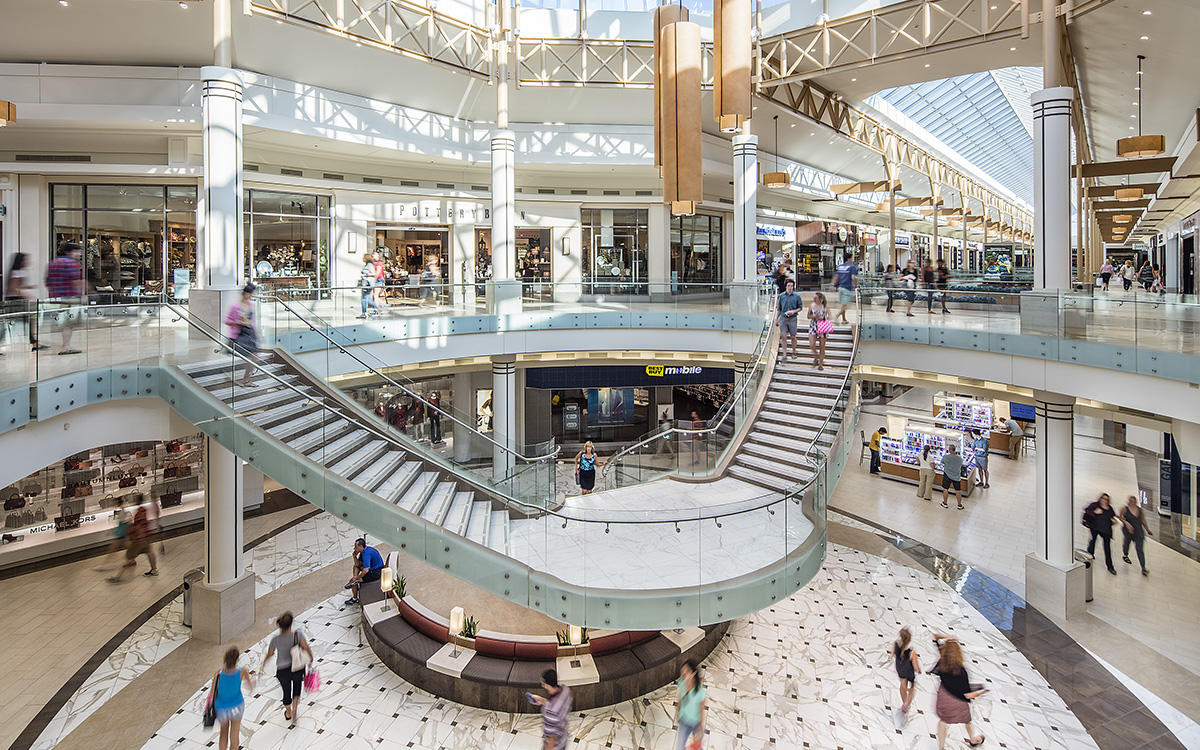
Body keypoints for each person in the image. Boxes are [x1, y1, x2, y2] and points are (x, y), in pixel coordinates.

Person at [931, 636, 986, 749]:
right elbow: (967, 694)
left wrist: (946, 638)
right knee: (967, 721)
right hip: (958, 702)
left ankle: (941, 747)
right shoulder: (962, 672)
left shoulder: (942, 662)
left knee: (943, 722)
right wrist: (980, 691)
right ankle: (972, 740)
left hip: (943, 698)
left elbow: (935, 637)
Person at [264, 611, 314, 724]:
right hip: (297, 666)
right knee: (297, 687)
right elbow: (306, 647)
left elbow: (270, 654)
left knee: (286, 691)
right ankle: (295, 708)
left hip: (282, 669)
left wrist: (263, 664)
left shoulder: (275, 639)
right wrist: (310, 658)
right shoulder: (298, 635)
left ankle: (288, 712)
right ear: (291, 624)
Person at [210, 646, 255, 750]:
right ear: (237, 659)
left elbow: (212, 693)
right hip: (237, 706)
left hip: (221, 708)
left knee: (223, 733)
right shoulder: (242, 671)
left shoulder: (218, 674)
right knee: (234, 733)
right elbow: (250, 686)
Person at [45, 241, 84, 355]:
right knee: (69, 324)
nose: (79, 254)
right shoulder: (71, 263)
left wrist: (53, 295)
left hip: (57, 297)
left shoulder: (53, 263)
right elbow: (75, 281)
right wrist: (81, 294)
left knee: (64, 323)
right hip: (70, 297)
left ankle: (65, 346)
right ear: (69, 252)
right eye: (76, 251)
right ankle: (65, 347)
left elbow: (47, 282)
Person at [107, 505, 158, 582]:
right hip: (144, 538)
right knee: (149, 552)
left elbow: (138, 526)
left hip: (139, 540)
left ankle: (117, 577)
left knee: (129, 557)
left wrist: (135, 534)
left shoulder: (139, 511)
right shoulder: (143, 509)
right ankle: (154, 570)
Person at [6, 252, 44, 350]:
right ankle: (33, 342)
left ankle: (33, 341)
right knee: (30, 319)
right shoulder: (17, 272)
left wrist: (28, 287)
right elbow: (14, 289)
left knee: (29, 320)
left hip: (15, 299)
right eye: (25, 260)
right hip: (16, 300)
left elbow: (16, 286)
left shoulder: (17, 272)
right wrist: (27, 297)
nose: (28, 262)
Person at [224, 284, 259, 386]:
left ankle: (246, 379)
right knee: (250, 356)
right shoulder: (235, 306)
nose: (252, 296)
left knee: (254, 356)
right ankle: (245, 379)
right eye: (250, 294)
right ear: (245, 294)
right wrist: (239, 322)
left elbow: (251, 320)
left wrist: (255, 330)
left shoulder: (250, 305)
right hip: (240, 334)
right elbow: (227, 320)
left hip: (250, 333)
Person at [529, 668, 572, 750]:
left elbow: (551, 739)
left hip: (556, 746)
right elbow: (557, 706)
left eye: (543, 683)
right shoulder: (565, 690)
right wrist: (542, 700)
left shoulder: (550, 712)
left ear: (547, 685)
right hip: (563, 738)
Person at [674, 659, 707, 750]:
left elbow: (701, 710)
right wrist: (678, 712)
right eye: (683, 673)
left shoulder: (699, 692)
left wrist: (699, 729)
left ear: (693, 674)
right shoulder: (681, 683)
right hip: (684, 720)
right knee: (680, 747)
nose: (684, 675)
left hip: (696, 723)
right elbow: (680, 699)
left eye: (687, 672)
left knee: (698, 747)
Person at [1083, 493, 1118, 575]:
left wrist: (1114, 521)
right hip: (1095, 528)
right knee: (1093, 541)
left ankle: (1110, 566)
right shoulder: (1095, 505)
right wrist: (1095, 512)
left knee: (1107, 548)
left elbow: (1112, 518)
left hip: (1106, 531)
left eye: (1106, 499)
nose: (1104, 501)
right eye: (1103, 499)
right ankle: (1089, 556)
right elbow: (1087, 511)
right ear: (1100, 499)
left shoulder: (1110, 509)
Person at [344, 537, 384, 605]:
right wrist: (354, 556)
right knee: (355, 567)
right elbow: (357, 564)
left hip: (375, 573)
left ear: (361, 546)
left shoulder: (366, 554)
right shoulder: (364, 551)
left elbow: (366, 570)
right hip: (372, 569)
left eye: (355, 547)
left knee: (354, 581)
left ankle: (354, 598)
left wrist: (357, 578)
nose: (354, 548)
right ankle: (354, 578)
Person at [892, 627, 920, 724]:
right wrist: (919, 670)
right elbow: (916, 667)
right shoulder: (911, 652)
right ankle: (908, 703)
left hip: (900, 668)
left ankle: (904, 702)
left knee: (902, 685)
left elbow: (892, 653)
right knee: (912, 687)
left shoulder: (895, 644)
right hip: (909, 671)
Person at [1121, 495, 1152, 576]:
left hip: (1138, 532)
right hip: (1128, 531)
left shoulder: (1140, 511)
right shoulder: (1125, 509)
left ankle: (1143, 568)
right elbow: (1120, 517)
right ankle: (1125, 554)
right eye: (1130, 501)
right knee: (1126, 543)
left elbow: (1143, 521)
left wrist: (1147, 529)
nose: (1132, 503)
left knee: (1139, 549)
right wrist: (1127, 523)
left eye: (1133, 502)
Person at [776, 279, 803, 361]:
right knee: (783, 336)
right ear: (786, 286)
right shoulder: (781, 296)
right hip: (783, 318)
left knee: (793, 336)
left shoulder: (797, 296)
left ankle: (794, 351)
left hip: (793, 318)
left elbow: (800, 308)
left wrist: (793, 311)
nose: (790, 287)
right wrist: (776, 319)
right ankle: (784, 354)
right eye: (789, 286)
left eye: (791, 286)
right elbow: (779, 309)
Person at [832, 252, 857, 324]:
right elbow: (853, 277)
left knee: (843, 304)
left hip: (840, 287)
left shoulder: (840, 267)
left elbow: (836, 276)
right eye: (852, 258)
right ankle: (836, 316)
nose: (852, 259)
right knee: (845, 305)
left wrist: (833, 285)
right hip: (847, 287)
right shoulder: (852, 267)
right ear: (849, 258)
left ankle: (844, 319)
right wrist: (856, 285)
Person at [807, 291, 829, 370]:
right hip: (813, 326)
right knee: (812, 345)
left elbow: (828, 316)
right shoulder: (811, 305)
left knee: (822, 346)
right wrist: (814, 316)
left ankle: (820, 364)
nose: (814, 299)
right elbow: (808, 316)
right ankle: (816, 356)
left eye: (815, 298)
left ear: (820, 299)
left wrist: (822, 317)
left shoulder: (825, 307)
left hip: (823, 325)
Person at [939, 443, 964, 510]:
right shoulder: (960, 458)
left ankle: (945, 503)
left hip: (947, 475)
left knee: (945, 489)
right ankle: (959, 505)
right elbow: (961, 464)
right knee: (958, 491)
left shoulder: (946, 457)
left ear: (949, 450)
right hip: (957, 476)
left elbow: (942, 462)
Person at [357, 253, 382, 318]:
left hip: (368, 284)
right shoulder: (367, 265)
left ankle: (374, 309)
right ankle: (364, 312)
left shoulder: (370, 265)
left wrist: (365, 275)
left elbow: (373, 273)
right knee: (365, 298)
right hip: (365, 283)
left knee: (365, 298)